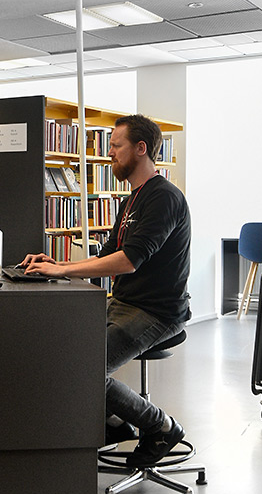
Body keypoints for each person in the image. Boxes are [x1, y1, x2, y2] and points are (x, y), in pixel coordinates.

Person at [22, 114, 191, 467]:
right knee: (58, 352)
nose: (109, 152)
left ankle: (160, 426)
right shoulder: (131, 200)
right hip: (124, 303)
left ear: (140, 148)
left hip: (156, 313)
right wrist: (56, 263)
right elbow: (108, 255)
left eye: (116, 146)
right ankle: (114, 425)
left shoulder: (164, 198)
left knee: (84, 366)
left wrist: (63, 271)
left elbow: (129, 261)